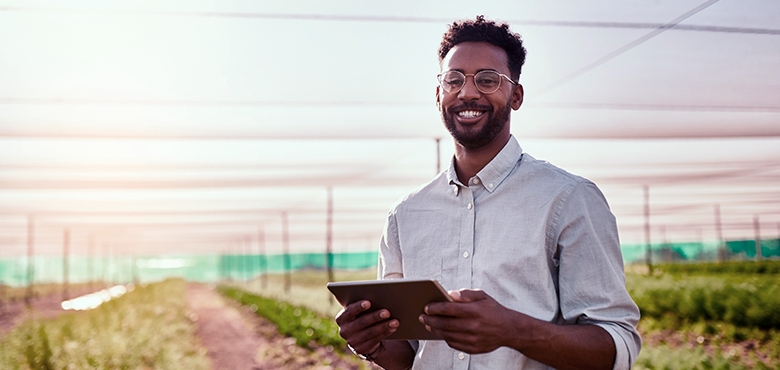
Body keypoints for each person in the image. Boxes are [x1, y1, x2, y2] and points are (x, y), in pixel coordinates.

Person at [335, 16, 642, 370]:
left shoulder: (569, 199)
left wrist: (513, 331)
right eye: (454, 80)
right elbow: (411, 355)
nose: (467, 92)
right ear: (438, 95)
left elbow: (615, 347)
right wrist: (371, 343)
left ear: (516, 95)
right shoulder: (405, 215)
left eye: (487, 80)